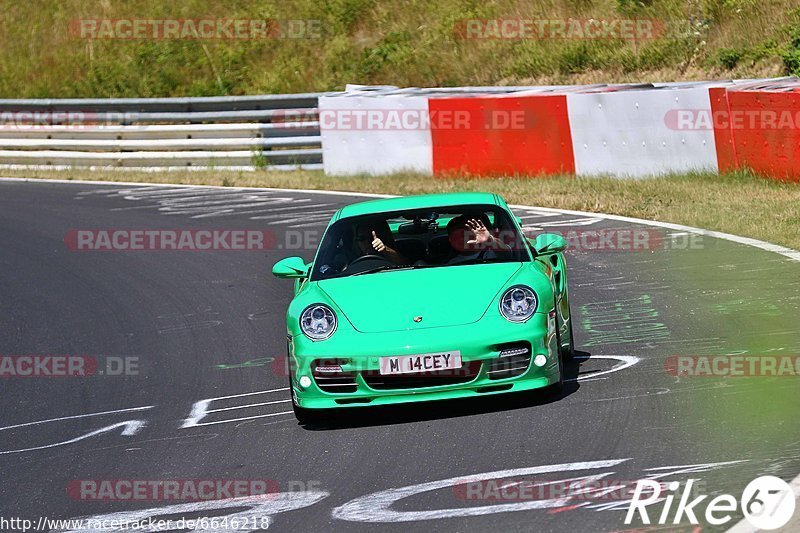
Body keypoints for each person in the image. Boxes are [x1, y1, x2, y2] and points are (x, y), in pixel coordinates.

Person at [445, 215, 512, 265]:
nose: (460, 240)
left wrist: (490, 240)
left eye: (463, 235)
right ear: (450, 241)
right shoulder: (452, 263)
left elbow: (507, 252)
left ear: (474, 235)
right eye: (456, 237)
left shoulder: (491, 253)